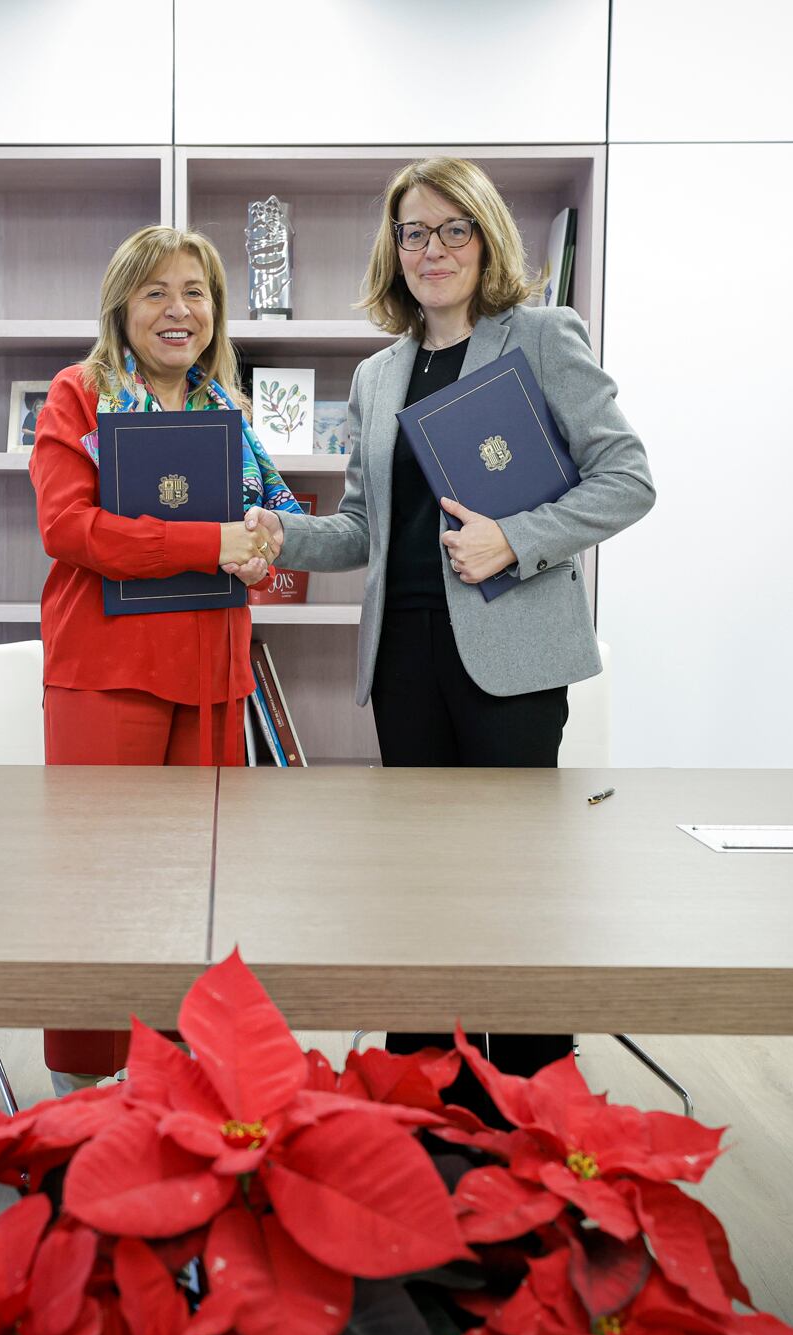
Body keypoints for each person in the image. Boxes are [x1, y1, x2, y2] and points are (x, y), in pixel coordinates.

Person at [246, 157, 655, 1117]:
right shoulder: (378, 370)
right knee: (421, 889)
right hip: (405, 661)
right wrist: (279, 532)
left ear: (486, 239)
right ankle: (419, 1100)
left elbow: (628, 478)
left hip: (511, 659)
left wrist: (517, 538)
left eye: (452, 230)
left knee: (516, 888)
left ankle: (534, 1102)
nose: (431, 251)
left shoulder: (543, 338)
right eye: (413, 233)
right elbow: (361, 528)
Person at [29, 225, 301, 1093]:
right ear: (122, 306)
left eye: (196, 292)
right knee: (93, 888)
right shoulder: (79, 396)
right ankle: (83, 1090)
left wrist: (260, 547)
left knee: (198, 892)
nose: (178, 310)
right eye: (155, 292)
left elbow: (271, 537)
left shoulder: (231, 411)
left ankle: (185, 1085)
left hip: (212, 674)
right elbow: (68, 528)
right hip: (106, 672)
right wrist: (210, 540)